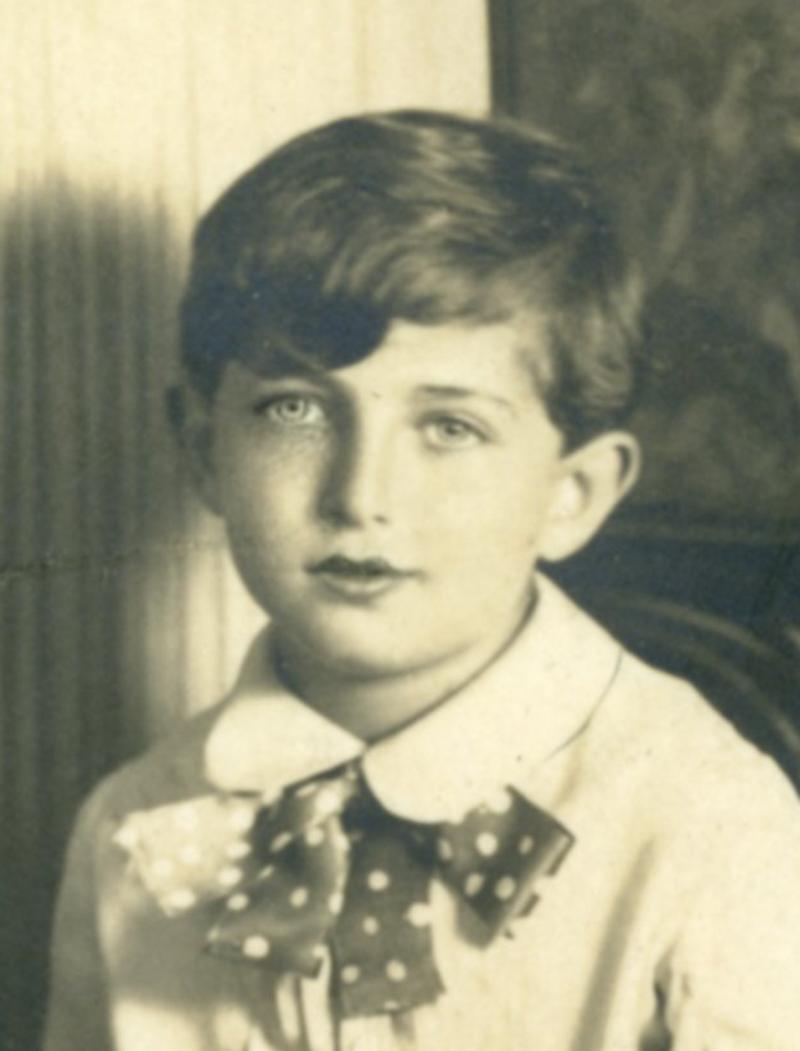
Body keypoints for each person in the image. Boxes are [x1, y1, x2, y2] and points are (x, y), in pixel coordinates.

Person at [44, 110, 800, 1051]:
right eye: (295, 409)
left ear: (571, 494)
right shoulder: (131, 831)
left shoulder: (709, 822)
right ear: (204, 452)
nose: (363, 495)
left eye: (450, 427)